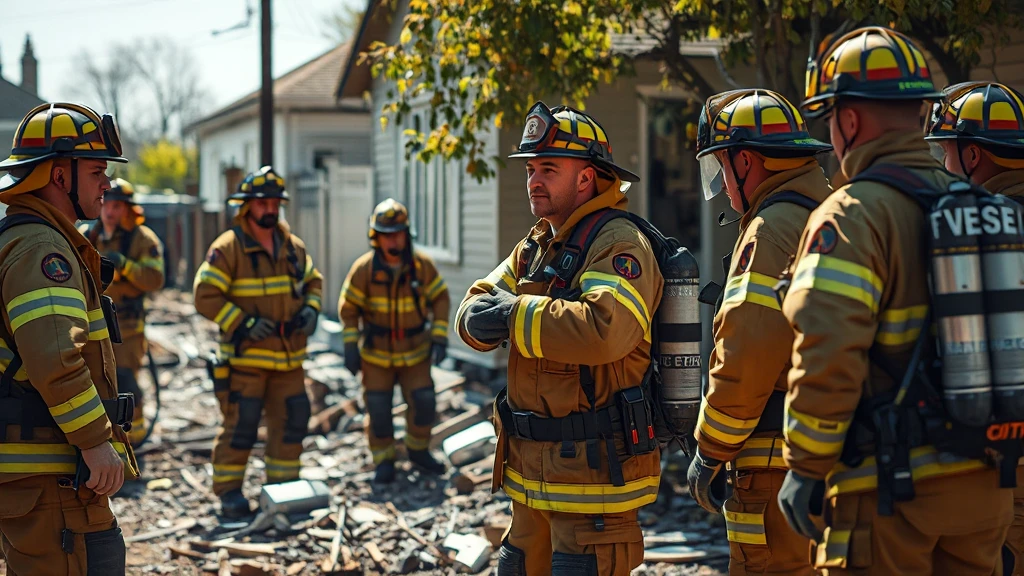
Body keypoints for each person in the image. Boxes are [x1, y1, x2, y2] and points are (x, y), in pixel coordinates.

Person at [778, 26, 1012, 574]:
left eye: (830, 119)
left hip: (890, 495)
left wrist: (806, 466)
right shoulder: (979, 207)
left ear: (848, 121)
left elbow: (828, 349)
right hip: (986, 486)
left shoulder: (852, 216)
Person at [457, 102, 663, 576]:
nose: (534, 180)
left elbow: (604, 330)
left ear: (587, 177)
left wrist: (513, 315)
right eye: (531, 169)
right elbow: (477, 301)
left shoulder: (619, 243)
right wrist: (476, 320)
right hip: (531, 477)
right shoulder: (537, 245)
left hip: (594, 481)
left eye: (549, 169)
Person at [687, 88, 832, 575]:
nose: (722, 186)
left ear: (745, 161)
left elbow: (745, 355)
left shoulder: (769, 230)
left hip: (774, 464)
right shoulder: (836, 215)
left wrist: (710, 450)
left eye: (721, 167)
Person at [0, 102, 139, 575]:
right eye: (97, 171)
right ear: (60, 176)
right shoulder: (43, 250)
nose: (107, 184)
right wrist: (96, 441)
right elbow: (56, 359)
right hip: (51, 478)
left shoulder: (27, 238)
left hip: (40, 477)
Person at [924, 80, 1024, 575]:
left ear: (972, 155)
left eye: (945, 151)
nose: (943, 165)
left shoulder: (973, 234)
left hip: (1004, 456)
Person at [193, 166, 322, 518]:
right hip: (246, 361)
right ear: (247, 206)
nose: (270, 209)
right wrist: (244, 322)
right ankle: (229, 493)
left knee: (291, 424)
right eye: (263, 203)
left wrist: (311, 309)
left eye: (275, 203)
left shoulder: (293, 247)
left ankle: (283, 490)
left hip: (289, 360)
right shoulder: (228, 247)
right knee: (241, 426)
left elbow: (314, 281)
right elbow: (204, 295)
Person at [339, 198, 450, 484]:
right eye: (386, 235)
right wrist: (350, 344)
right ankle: (384, 460)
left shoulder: (422, 266)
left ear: (406, 234)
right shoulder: (364, 269)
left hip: (416, 352)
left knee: (424, 402)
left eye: (397, 234)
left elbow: (440, 298)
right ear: (375, 237)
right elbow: (349, 308)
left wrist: (439, 336)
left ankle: (418, 452)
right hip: (376, 355)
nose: (393, 241)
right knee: (378, 409)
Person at [80, 177, 164, 449]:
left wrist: (125, 265)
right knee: (94, 385)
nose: (110, 211)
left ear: (129, 209)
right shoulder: (87, 236)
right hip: (93, 329)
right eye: (106, 203)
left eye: (117, 206)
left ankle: (133, 443)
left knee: (126, 385)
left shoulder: (142, 239)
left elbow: (155, 279)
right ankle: (104, 441)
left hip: (127, 331)